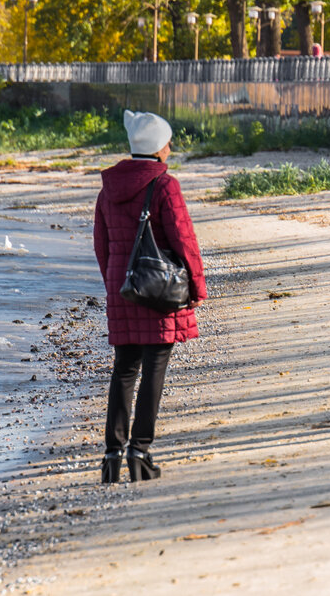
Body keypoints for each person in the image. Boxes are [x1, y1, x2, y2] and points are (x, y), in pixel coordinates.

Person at [94, 110, 206, 482]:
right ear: (158, 148)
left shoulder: (108, 188)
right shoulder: (165, 185)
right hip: (158, 291)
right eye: (168, 142)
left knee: (124, 370)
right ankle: (139, 450)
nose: (170, 148)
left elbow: (102, 245)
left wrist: (114, 283)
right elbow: (183, 240)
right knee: (154, 368)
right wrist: (197, 286)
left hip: (123, 288)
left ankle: (112, 455)